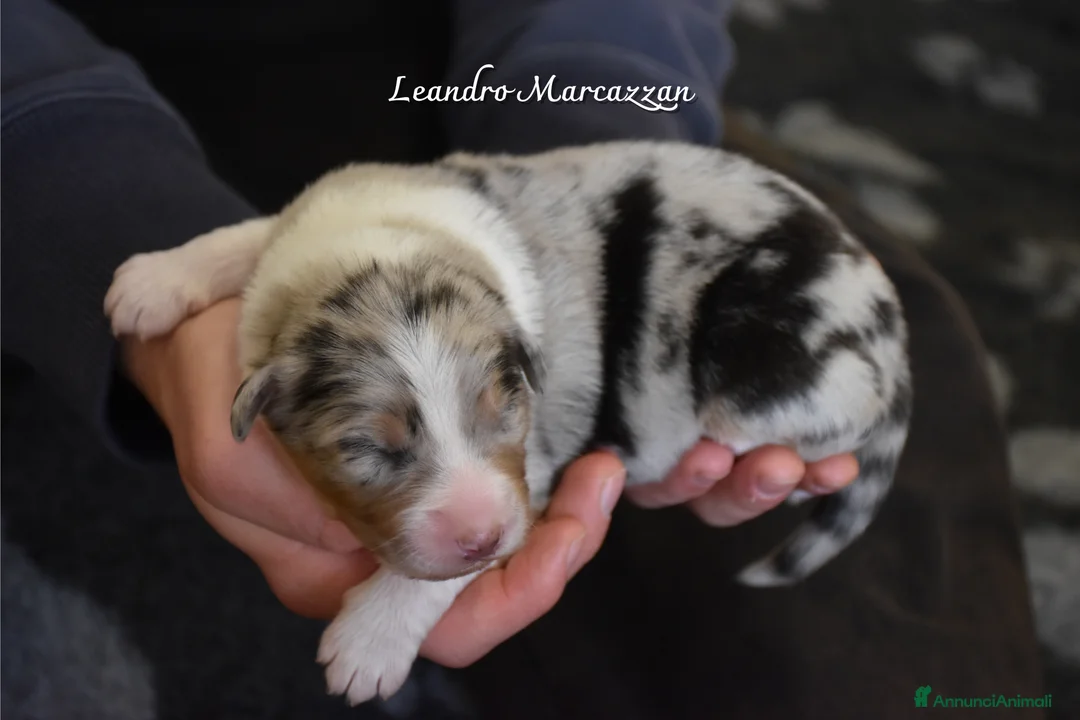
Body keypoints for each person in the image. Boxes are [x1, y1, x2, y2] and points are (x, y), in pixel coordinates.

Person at [1, 1, 1044, 718]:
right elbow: (268, 245)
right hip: (72, 110)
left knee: (920, 361)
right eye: (380, 450)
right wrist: (116, 230)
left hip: (481, 103)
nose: (473, 517)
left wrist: (587, 120)